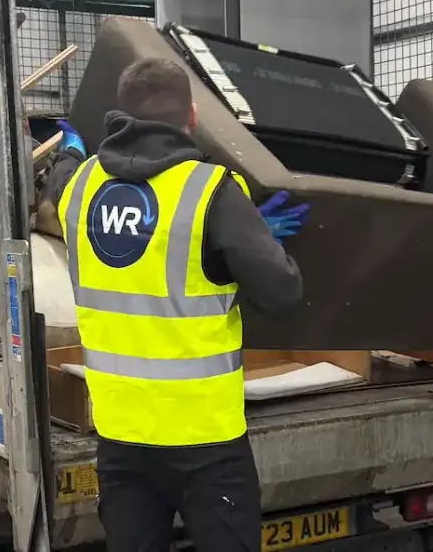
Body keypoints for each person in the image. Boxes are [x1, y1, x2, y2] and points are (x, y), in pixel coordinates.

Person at [44, 57, 309, 552]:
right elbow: (282, 294)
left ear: (120, 117)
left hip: (122, 440)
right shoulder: (213, 192)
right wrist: (250, 239)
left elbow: (59, 182)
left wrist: (69, 153)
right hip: (206, 443)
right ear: (191, 115)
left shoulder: (79, 191)